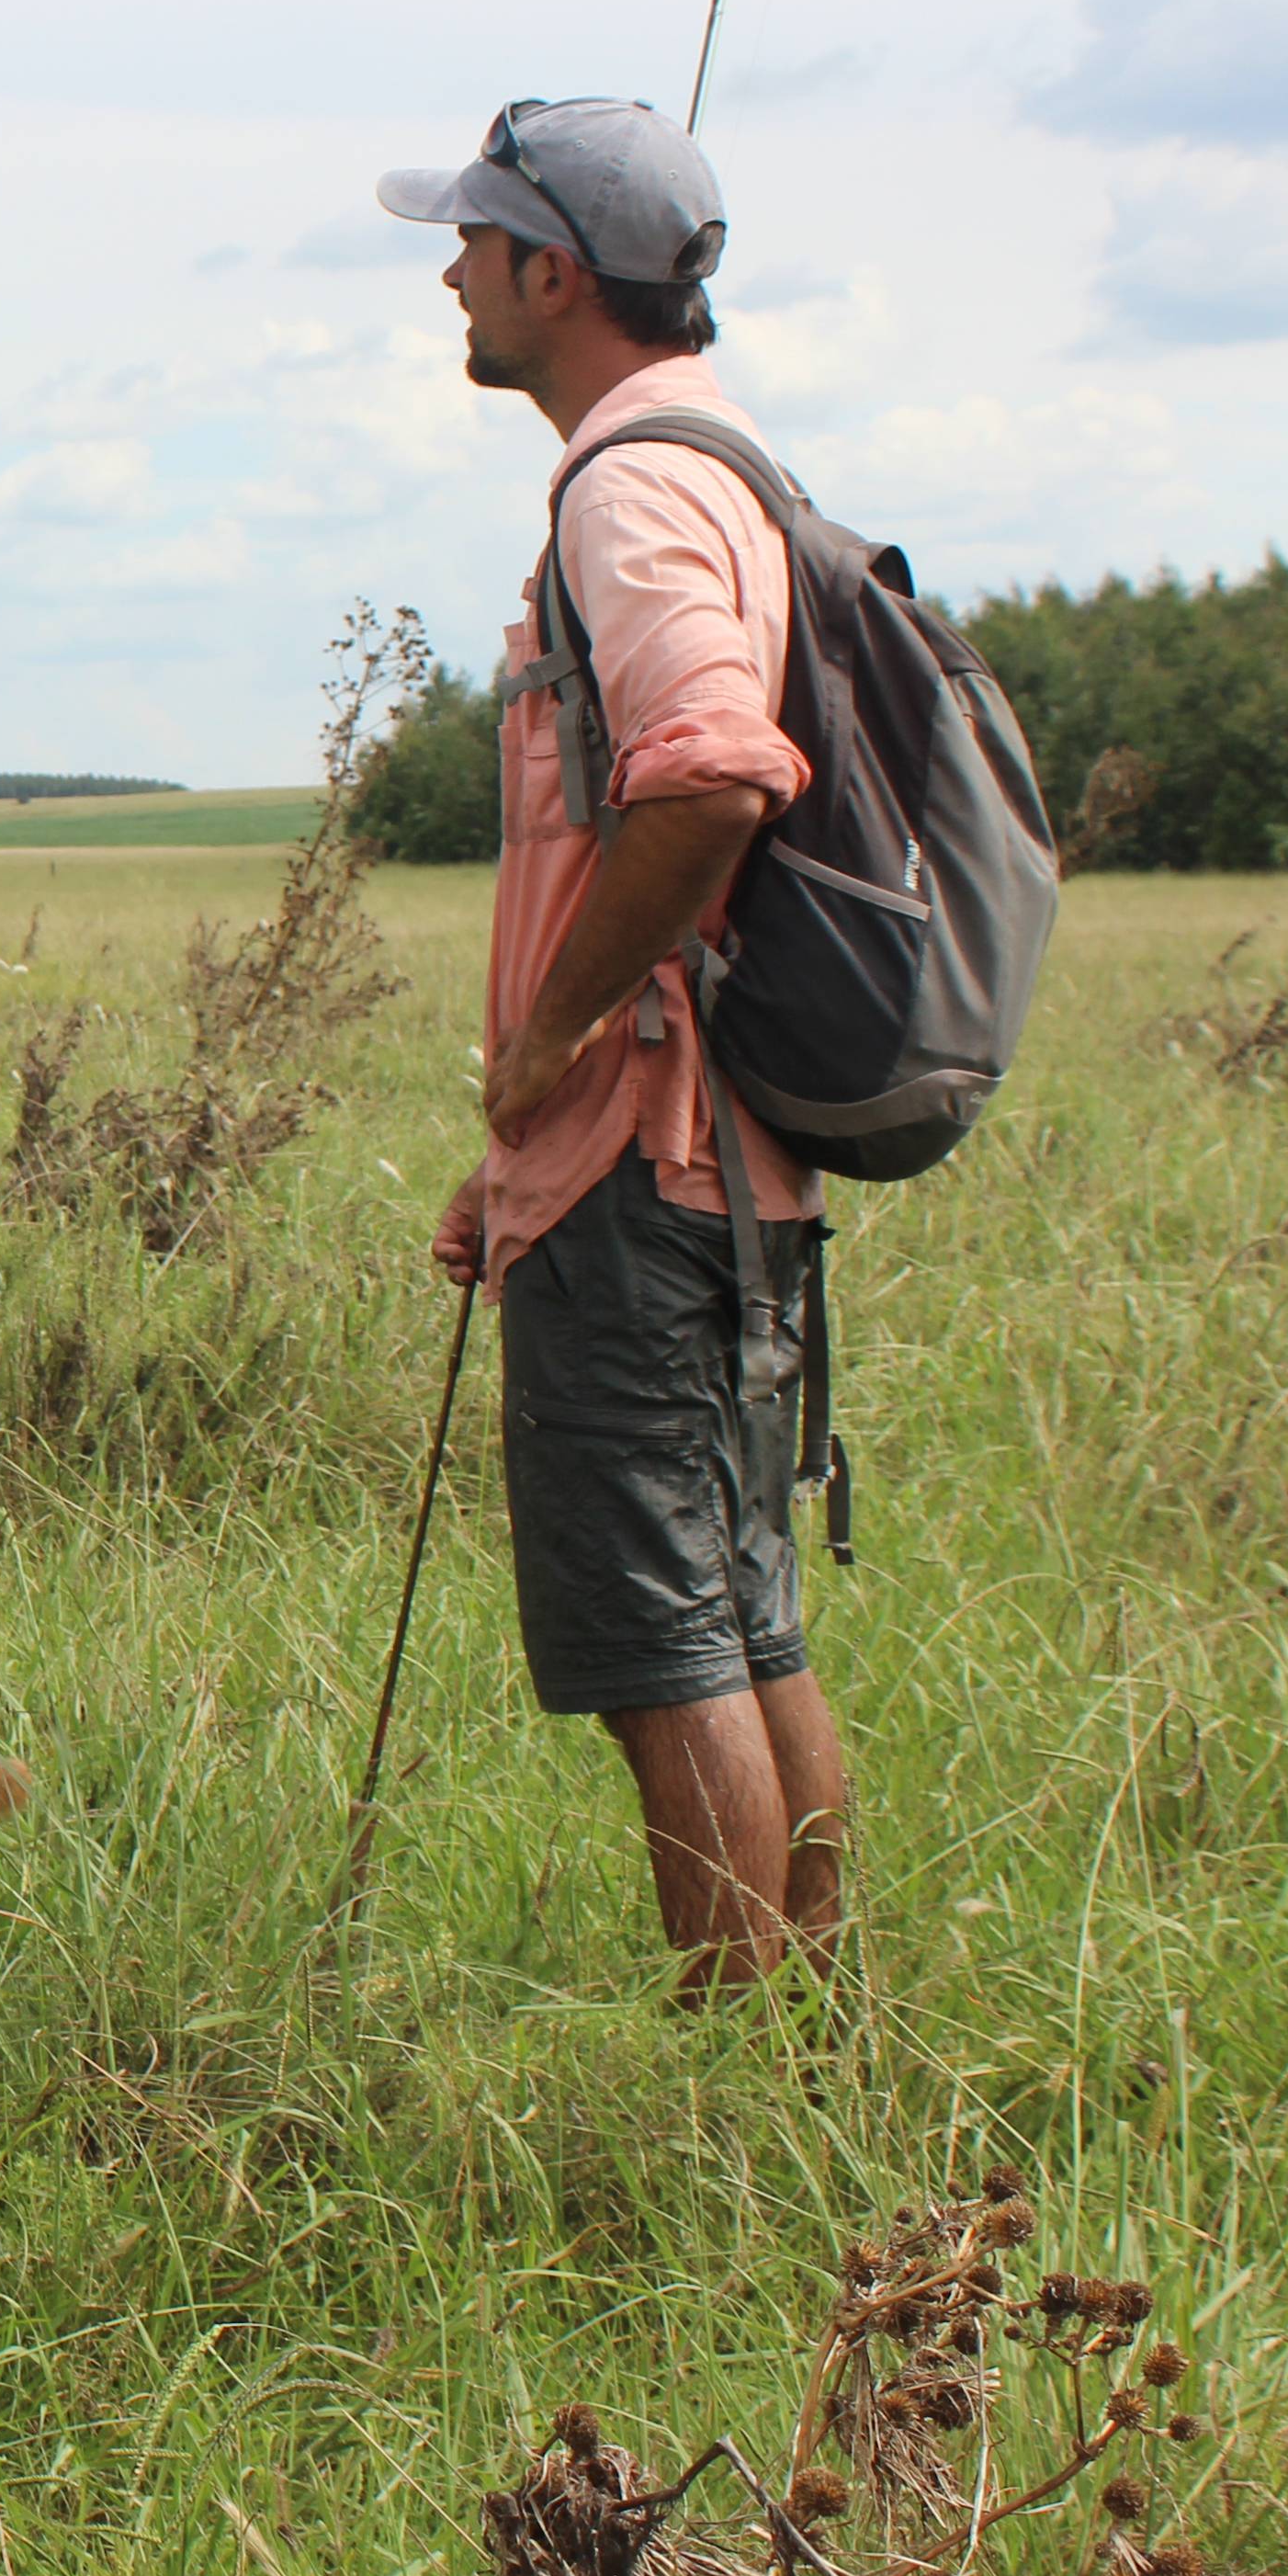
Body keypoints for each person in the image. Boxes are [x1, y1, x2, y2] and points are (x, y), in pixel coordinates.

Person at [379, 98, 848, 2000]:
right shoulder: (734, 469)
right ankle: (820, 2041)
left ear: (555, 273)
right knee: (746, 1617)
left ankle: (739, 2087)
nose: (452, 273)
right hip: (710, 1156)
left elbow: (716, 772)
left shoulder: (628, 487)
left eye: (477, 243)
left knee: (670, 1651)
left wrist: (551, 1043)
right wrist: (523, 1151)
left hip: (648, 1166)